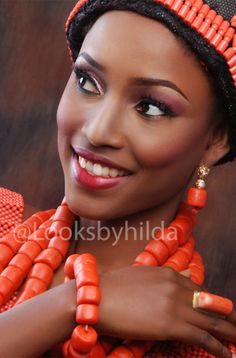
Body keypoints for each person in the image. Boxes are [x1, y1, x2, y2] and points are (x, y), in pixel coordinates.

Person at [0, 0, 236, 357]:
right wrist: (75, 302)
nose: (98, 131)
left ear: (216, 140)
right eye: (87, 82)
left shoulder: (197, 347)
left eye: (151, 107)